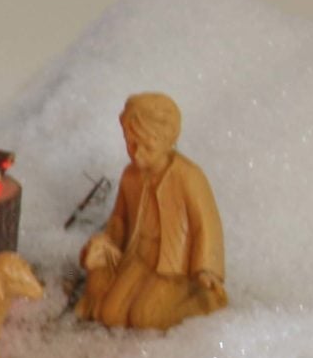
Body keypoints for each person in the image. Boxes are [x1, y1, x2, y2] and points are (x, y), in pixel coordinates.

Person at [80, 92, 227, 331]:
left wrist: (207, 269)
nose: (136, 152)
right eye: (130, 143)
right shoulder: (130, 176)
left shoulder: (188, 176)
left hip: (173, 268)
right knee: (110, 314)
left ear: (167, 141)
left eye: (147, 146)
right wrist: (107, 243)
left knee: (145, 317)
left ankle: (203, 302)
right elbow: (119, 219)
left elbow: (206, 225)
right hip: (138, 257)